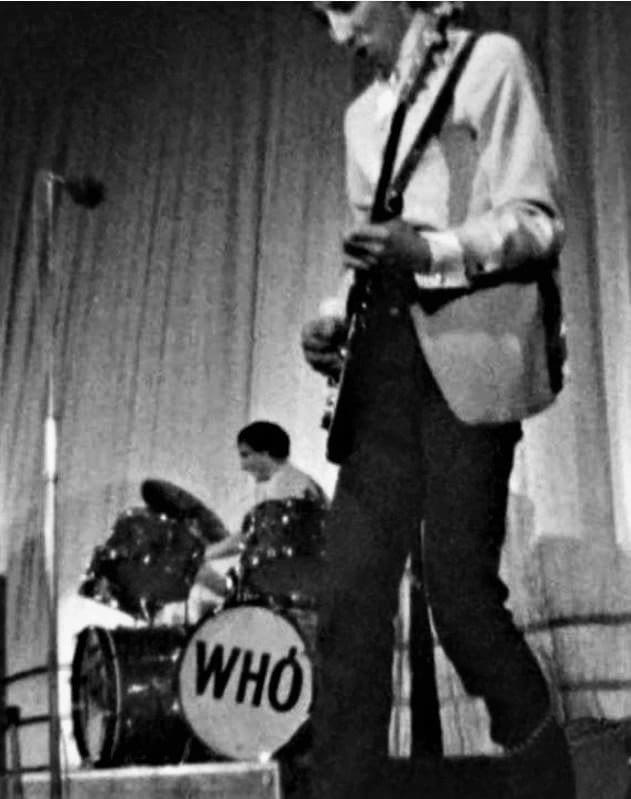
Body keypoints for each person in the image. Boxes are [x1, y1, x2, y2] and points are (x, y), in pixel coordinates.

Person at [301, 3, 574, 798]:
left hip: (469, 358)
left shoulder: (490, 64)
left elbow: (535, 221)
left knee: (461, 600)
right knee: (348, 601)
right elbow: (368, 247)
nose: (340, 35)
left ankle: (548, 782)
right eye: (322, 16)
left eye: (346, 6)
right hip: (381, 370)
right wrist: (333, 315)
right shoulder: (360, 117)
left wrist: (432, 250)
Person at [195, 420, 328, 598]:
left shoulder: (283, 484)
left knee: (205, 578)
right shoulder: (300, 481)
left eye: (246, 455)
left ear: (265, 453)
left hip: (288, 589)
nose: (242, 466)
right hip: (309, 585)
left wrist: (202, 554)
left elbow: (250, 538)